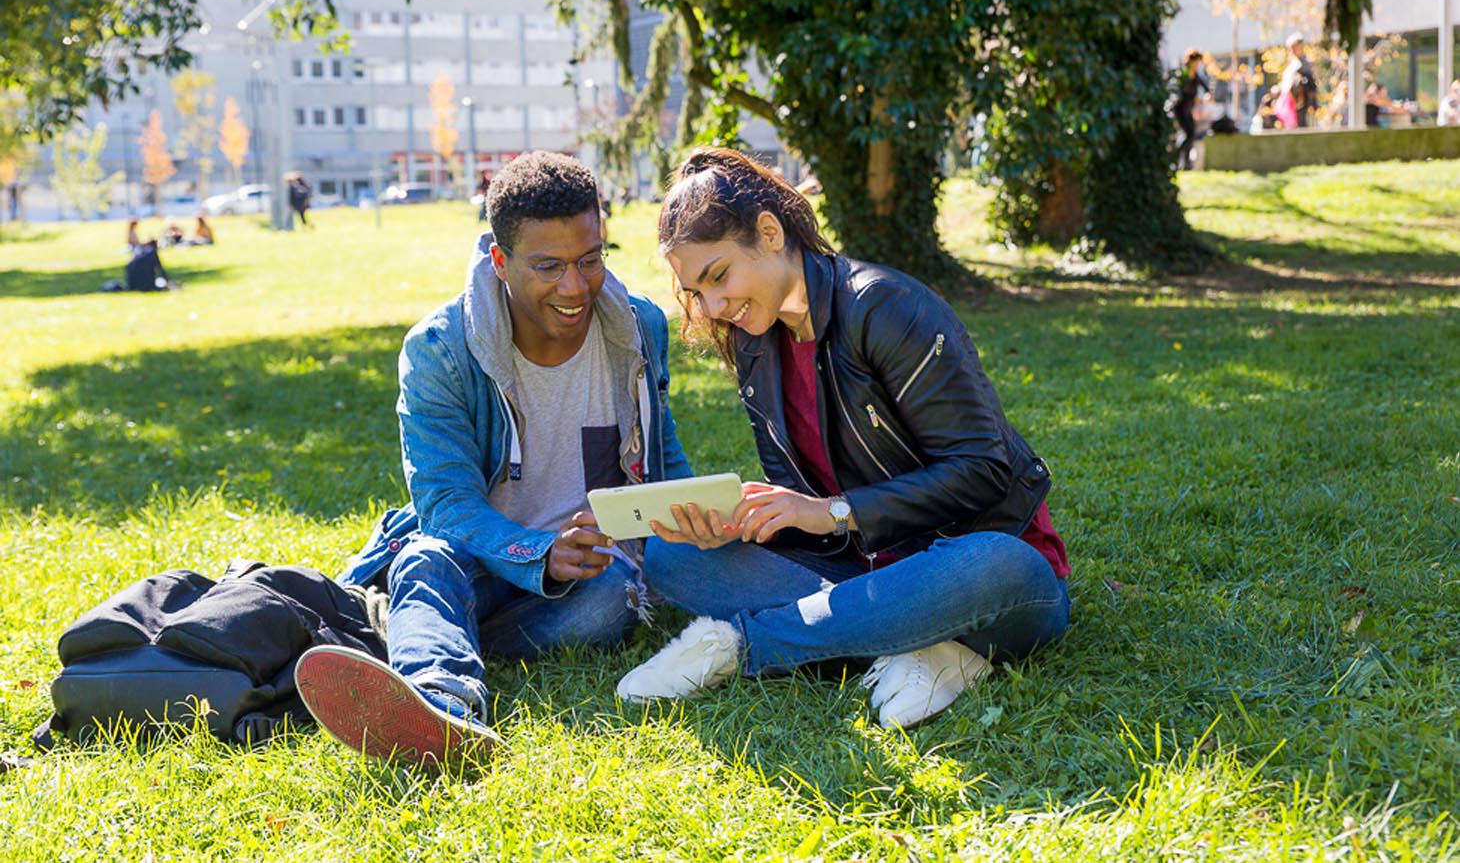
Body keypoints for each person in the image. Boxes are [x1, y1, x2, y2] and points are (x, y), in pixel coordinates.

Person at [615, 148, 1071, 729]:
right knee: (674, 556)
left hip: (978, 569)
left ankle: (741, 647)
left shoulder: (885, 306)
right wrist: (753, 524)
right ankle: (916, 645)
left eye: (719, 276)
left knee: (997, 564)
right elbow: (812, 514)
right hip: (870, 575)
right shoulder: (757, 344)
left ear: (770, 232)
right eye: (697, 292)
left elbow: (982, 469)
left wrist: (831, 512)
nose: (713, 306)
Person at [295, 151, 694, 766]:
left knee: (613, 600)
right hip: (477, 558)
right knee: (425, 560)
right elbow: (445, 504)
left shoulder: (636, 327)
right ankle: (444, 707)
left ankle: (426, 634)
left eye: (591, 261)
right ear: (500, 262)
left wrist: (696, 512)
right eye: (549, 266)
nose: (575, 287)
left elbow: (660, 452)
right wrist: (538, 552)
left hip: (592, 577)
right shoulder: (440, 349)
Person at [1175, 49, 1210, 169]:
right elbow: (1182, 92)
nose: (1197, 65)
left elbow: (1206, 87)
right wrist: (1195, 99)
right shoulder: (1183, 74)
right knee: (1189, 133)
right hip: (1180, 109)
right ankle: (1177, 156)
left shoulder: (1196, 76)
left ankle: (1186, 162)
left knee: (1192, 134)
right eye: (1196, 62)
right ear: (1190, 61)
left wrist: (1208, 95)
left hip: (1188, 110)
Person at [1280, 33, 1317, 128]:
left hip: (1302, 102)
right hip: (1290, 102)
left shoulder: (1304, 64)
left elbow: (1310, 85)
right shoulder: (1292, 65)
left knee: (1302, 125)